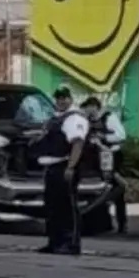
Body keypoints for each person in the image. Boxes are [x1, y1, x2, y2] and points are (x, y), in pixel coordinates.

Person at [34, 87, 89, 255]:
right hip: (51, 167)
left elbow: (77, 144)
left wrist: (71, 167)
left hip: (64, 165)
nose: (61, 101)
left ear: (71, 99)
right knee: (52, 206)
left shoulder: (74, 119)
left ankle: (70, 243)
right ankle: (55, 242)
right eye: (58, 98)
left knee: (67, 207)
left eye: (64, 98)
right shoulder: (55, 118)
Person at [81, 96, 128, 233]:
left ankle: (122, 222)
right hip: (95, 158)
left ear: (95, 106)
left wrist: (104, 137)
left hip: (112, 156)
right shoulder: (88, 120)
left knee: (117, 189)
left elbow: (121, 135)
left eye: (88, 107)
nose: (87, 110)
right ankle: (103, 221)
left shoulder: (109, 117)